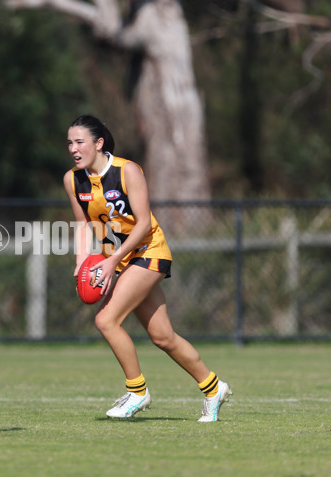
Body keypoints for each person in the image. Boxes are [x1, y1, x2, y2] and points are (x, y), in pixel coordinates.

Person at [63, 115, 231, 422]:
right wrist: (81, 262)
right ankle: (213, 387)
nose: (74, 148)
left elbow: (142, 224)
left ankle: (137, 392)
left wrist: (112, 260)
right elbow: (83, 224)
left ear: (99, 143)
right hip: (122, 259)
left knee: (106, 320)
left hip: (149, 251)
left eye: (80, 142)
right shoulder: (73, 179)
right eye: (70, 143)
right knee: (162, 336)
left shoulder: (127, 171)